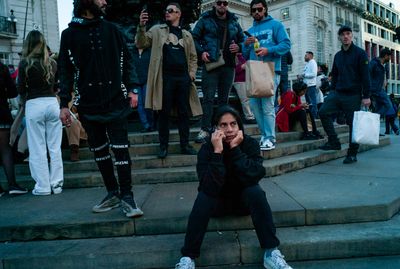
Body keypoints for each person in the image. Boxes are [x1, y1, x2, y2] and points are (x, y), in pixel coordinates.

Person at [175, 105, 292, 269]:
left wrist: (235, 150)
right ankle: (188, 257)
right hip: (217, 204)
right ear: (216, 128)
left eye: (233, 124)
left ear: (239, 126)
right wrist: (217, 152)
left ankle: (271, 252)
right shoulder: (207, 148)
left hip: (243, 203)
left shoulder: (249, 144)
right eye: (223, 125)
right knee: (203, 197)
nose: (229, 129)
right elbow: (207, 186)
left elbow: (255, 175)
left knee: (256, 191)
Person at [58, 0, 143, 218]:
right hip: (88, 104)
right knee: (100, 152)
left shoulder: (112, 29)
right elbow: (64, 71)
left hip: (116, 101)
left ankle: (127, 196)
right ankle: (112, 193)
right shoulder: (69, 34)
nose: (105, 1)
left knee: (121, 149)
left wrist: (133, 89)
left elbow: (128, 60)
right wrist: (64, 104)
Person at [136, 2, 201, 159]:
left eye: (171, 11)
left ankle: (184, 145)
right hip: (165, 79)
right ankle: (163, 146)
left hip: (183, 79)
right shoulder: (157, 30)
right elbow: (141, 43)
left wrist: (191, 74)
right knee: (163, 113)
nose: (168, 13)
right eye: (166, 11)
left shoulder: (186, 35)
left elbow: (193, 57)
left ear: (178, 14)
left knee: (184, 113)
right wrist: (141, 26)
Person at [17, 30, 63, 195]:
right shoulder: (52, 63)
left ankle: (43, 186)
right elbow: (58, 86)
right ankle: (56, 185)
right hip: (52, 103)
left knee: (37, 148)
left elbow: (20, 89)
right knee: (54, 147)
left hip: (34, 104)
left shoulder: (24, 64)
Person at [192, 0, 244, 143]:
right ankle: (205, 129)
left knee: (224, 100)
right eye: (219, 2)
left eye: (225, 3)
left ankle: (221, 129)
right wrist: (201, 52)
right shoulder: (205, 19)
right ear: (215, 4)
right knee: (208, 98)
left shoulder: (234, 21)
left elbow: (243, 39)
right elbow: (193, 38)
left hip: (229, 65)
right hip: (211, 63)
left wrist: (239, 46)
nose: (222, 5)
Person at [242, 0, 291, 151]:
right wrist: (246, 44)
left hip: (270, 70)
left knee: (268, 106)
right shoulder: (249, 30)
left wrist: (267, 50)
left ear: (265, 10)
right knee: (255, 107)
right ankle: (265, 136)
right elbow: (245, 55)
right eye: (254, 10)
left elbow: (286, 44)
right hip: (254, 71)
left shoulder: (276, 25)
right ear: (251, 12)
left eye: (259, 9)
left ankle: (270, 138)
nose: (256, 12)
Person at [319, 25, 371, 164]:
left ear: (351, 36)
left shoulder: (360, 54)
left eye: (348, 34)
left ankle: (352, 154)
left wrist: (366, 96)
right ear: (339, 38)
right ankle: (333, 141)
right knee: (323, 112)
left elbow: (366, 76)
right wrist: (332, 92)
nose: (346, 36)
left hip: (353, 95)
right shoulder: (338, 56)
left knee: (353, 125)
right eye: (343, 34)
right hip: (337, 93)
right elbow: (335, 75)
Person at [0, 61, 27, 196]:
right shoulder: (2, 68)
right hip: (1, 113)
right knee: (5, 150)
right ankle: (12, 185)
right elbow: (13, 92)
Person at [132, 45, 154, 133]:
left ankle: (151, 124)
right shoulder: (132, 52)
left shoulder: (149, 51)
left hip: (147, 81)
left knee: (147, 103)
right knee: (139, 104)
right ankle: (146, 125)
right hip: (136, 82)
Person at [233, 53, 255, 123]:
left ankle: (252, 116)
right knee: (245, 100)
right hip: (239, 81)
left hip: (247, 80)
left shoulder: (241, 56)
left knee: (250, 99)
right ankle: (249, 117)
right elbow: (232, 71)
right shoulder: (234, 57)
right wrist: (242, 67)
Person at [369, 48, 392, 116]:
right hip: (376, 90)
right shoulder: (373, 63)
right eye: (389, 56)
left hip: (379, 89)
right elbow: (367, 76)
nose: (390, 59)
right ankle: (375, 116)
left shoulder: (383, 65)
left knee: (378, 108)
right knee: (388, 105)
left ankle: (374, 118)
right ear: (385, 56)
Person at [301, 51, 318, 119]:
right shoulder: (308, 64)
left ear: (310, 56)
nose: (304, 57)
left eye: (306, 55)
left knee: (312, 101)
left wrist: (304, 75)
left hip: (311, 85)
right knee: (308, 102)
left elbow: (314, 74)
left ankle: (314, 115)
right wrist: (301, 76)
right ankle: (310, 115)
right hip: (306, 86)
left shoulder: (313, 63)